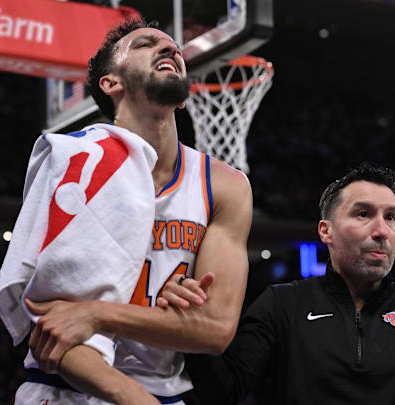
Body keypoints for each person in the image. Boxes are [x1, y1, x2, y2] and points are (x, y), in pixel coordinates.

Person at [16, 17, 253, 405]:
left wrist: (96, 313)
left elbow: (215, 329)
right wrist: (131, 394)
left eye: (174, 47)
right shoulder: (75, 161)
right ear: (112, 83)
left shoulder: (225, 184)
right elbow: (50, 322)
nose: (170, 49)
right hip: (67, 391)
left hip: (164, 393)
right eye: (145, 44)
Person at [165, 162, 395, 404]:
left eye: (391, 218)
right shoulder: (282, 306)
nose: (382, 231)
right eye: (363, 214)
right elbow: (223, 390)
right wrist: (191, 330)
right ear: (325, 231)